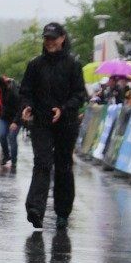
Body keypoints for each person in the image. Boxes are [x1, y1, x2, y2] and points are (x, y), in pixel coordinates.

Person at [20, 21, 87, 229]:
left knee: (63, 165)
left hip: (66, 122)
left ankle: (62, 213)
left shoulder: (73, 64)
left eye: (53, 38)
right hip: (41, 122)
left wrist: (64, 109)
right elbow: (25, 91)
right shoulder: (35, 65)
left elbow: (80, 94)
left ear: (62, 39)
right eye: (46, 38)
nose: (49, 42)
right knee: (42, 162)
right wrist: (27, 106)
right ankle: (35, 208)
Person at [0, 76, 21, 168]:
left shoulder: (17, 93)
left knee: (12, 137)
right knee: (2, 135)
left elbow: (20, 109)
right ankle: (6, 155)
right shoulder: (3, 92)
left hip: (16, 119)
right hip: (4, 118)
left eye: (8, 83)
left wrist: (15, 122)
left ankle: (14, 160)